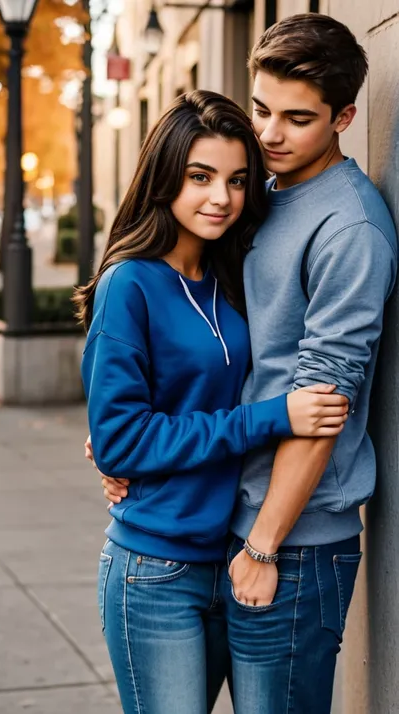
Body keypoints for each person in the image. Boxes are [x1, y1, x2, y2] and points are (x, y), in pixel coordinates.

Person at [96, 14, 398, 714]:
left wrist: (263, 547)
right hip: (213, 528)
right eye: (261, 109)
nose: (268, 134)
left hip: (291, 544)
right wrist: (127, 436)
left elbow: (324, 401)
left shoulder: (349, 226)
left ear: (345, 116)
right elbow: (222, 351)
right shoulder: (255, 197)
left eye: (297, 119)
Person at [74, 90, 348, 714]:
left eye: (237, 180)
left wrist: (126, 438)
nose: (220, 197)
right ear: (165, 175)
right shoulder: (130, 283)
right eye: (200, 177)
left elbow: (153, 420)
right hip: (154, 570)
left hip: (230, 558)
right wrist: (273, 418)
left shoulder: (231, 274)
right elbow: (122, 439)